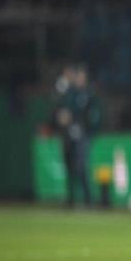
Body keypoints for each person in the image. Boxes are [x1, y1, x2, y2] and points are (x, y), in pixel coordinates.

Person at [54, 65, 102, 207]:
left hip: (83, 135)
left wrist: (89, 130)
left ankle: (88, 199)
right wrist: (62, 117)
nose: (79, 80)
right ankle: (70, 199)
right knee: (69, 166)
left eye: (82, 77)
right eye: (78, 77)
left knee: (80, 166)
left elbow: (94, 115)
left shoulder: (89, 94)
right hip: (69, 134)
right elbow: (60, 108)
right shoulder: (69, 93)